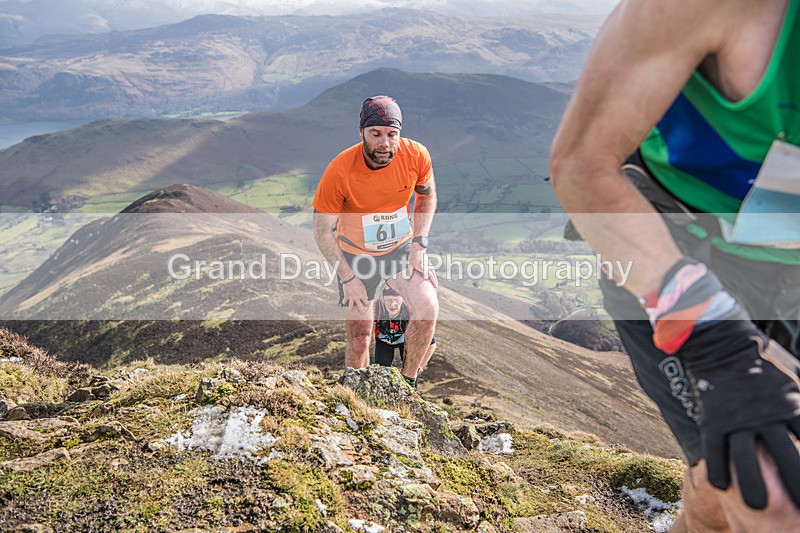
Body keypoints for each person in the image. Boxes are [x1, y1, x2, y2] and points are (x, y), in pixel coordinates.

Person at [549, 0, 800, 531]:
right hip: (674, 249)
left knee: (716, 492)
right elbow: (581, 166)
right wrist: (717, 343)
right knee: (767, 497)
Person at [312, 95, 438, 387]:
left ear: (399, 134)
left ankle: (407, 386)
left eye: (392, 134)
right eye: (376, 134)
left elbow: (427, 196)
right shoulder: (340, 170)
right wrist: (348, 277)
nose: (384, 143)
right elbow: (321, 231)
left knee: (428, 309)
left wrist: (419, 246)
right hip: (356, 257)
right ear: (362, 133)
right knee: (359, 339)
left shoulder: (417, 155)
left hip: (400, 248)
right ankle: (356, 395)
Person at [374, 285, 437, 382]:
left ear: (402, 301)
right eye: (388, 300)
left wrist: (418, 367)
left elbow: (432, 345)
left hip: (408, 342)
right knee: (379, 376)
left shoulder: (412, 312)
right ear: (382, 300)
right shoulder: (376, 309)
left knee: (410, 375)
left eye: (397, 301)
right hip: (383, 342)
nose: (392, 304)